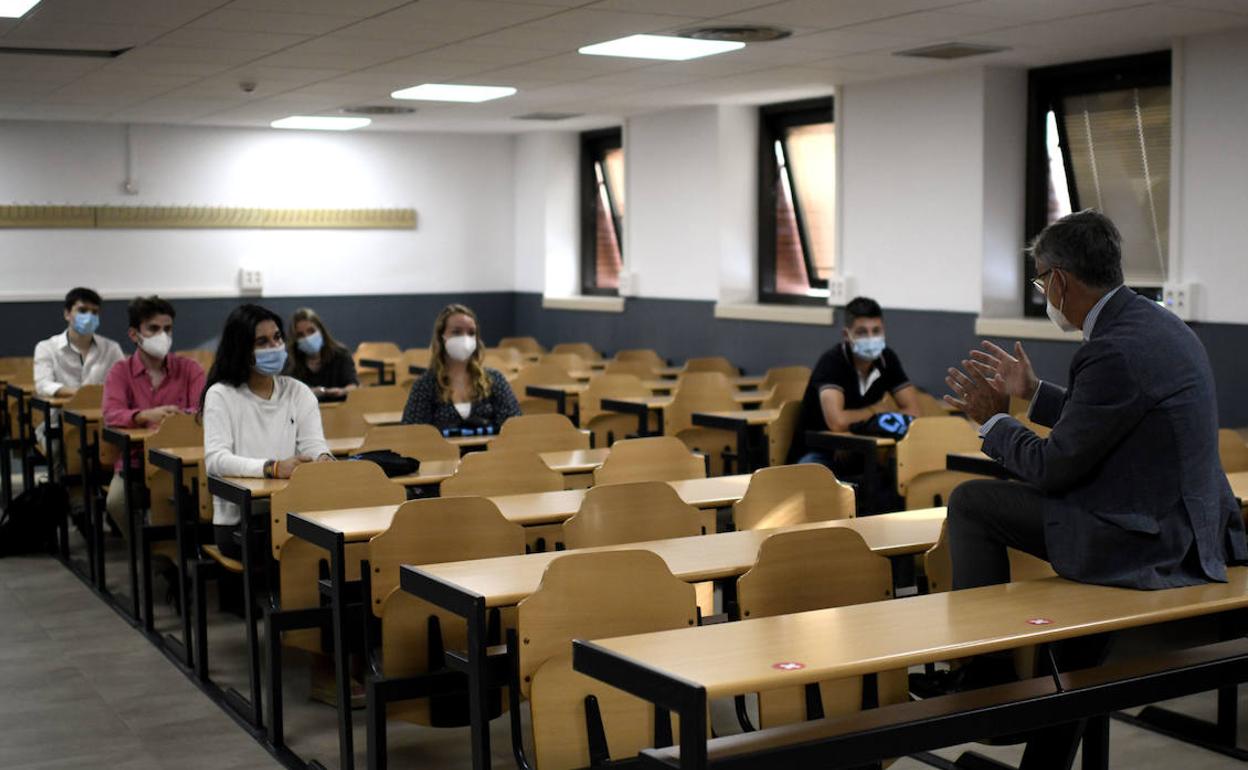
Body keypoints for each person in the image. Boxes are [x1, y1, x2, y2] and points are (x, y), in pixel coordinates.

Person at [945, 209, 1247, 593]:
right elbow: (1111, 419)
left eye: (1040, 282)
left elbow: (1051, 467)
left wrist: (994, 421)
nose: (1044, 293)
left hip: (1149, 543)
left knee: (971, 502)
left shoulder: (1111, 350)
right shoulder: (1162, 323)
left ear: (1058, 280)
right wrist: (1034, 391)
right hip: (1193, 528)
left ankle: (983, 652)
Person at [202, 304, 332, 560]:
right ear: (241, 349)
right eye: (262, 342)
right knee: (302, 551)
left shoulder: (298, 391)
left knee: (342, 545)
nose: (274, 347)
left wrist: (323, 461)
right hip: (241, 522)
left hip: (295, 512)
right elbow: (216, 461)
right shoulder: (221, 394)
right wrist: (272, 468)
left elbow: (314, 446)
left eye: (277, 338)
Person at [101, 296, 205, 540]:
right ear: (134, 334)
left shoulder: (190, 369)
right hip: (136, 463)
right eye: (154, 329)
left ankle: (186, 551)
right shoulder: (120, 372)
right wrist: (144, 415)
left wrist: (176, 419)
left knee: (202, 500)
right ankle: (149, 555)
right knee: (116, 502)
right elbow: (111, 414)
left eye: (167, 329)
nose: (162, 335)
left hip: (185, 461)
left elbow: (203, 410)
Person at [788, 296, 921, 465]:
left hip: (860, 447)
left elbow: (914, 411)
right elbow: (837, 422)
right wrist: (876, 412)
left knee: (898, 468)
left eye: (876, 331)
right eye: (862, 332)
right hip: (817, 451)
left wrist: (860, 429)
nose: (871, 338)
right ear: (846, 335)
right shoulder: (832, 362)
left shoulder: (887, 358)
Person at [401, 303, 521, 432]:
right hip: (442, 452)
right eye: (457, 332)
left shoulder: (494, 380)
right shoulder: (425, 385)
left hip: (490, 452)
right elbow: (412, 435)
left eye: (471, 333)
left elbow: (514, 426)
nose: (465, 338)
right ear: (441, 338)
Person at [33, 287, 125, 399]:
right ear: (67, 314)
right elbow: (43, 385)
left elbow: (123, 383)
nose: (89, 317)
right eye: (82, 310)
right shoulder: (46, 347)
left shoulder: (111, 348)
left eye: (95, 312)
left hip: (100, 413)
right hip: (60, 412)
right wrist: (82, 394)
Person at [286, 307, 359, 401]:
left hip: (338, 409)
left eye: (311, 331)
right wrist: (310, 392)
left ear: (321, 331)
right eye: (300, 335)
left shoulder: (340, 354)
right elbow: (287, 392)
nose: (307, 338)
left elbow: (353, 385)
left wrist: (342, 391)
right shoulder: (290, 361)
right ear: (295, 340)